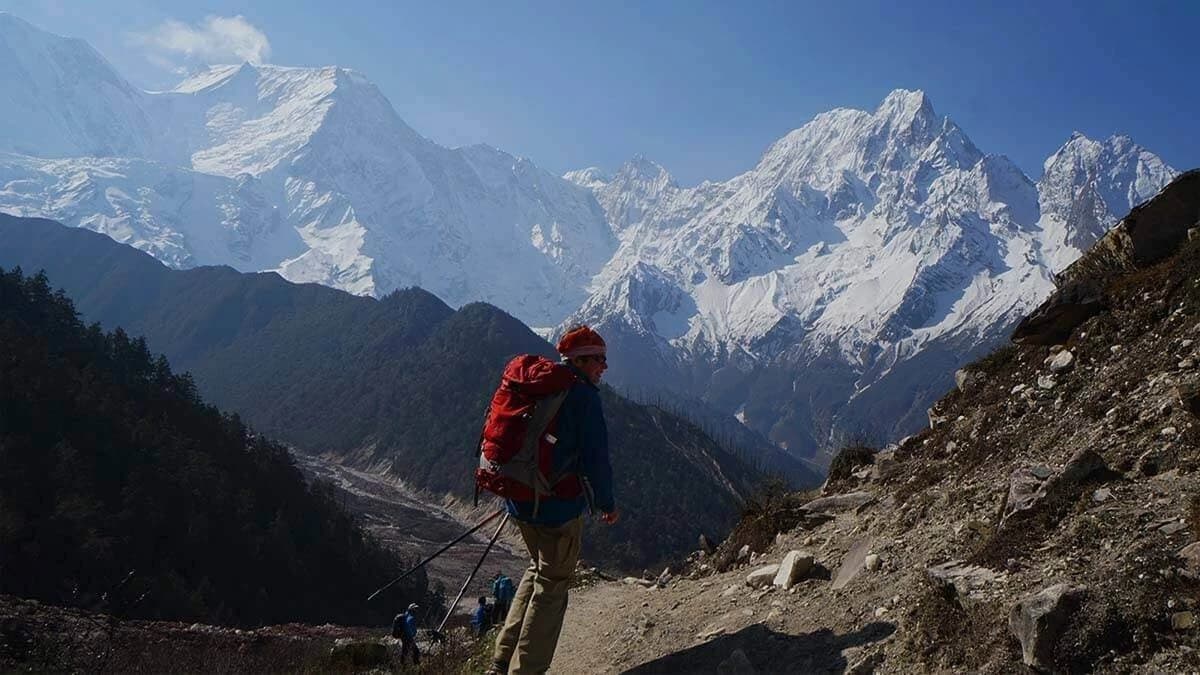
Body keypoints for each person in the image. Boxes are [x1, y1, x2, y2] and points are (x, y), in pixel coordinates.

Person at [488, 325, 618, 675]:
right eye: (599, 359)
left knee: (537, 570)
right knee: (552, 585)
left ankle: (501, 659)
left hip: (519, 501)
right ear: (580, 360)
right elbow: (596, 459)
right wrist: (607, 504)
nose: (604, 366)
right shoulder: (583, 397)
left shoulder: (538, 386)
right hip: (557, 508)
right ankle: (527, 671)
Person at [393, 602, 420, 667]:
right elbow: (409, 628)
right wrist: (412, 634)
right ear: (411, 610)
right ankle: (415, 666)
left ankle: (403, 665)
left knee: (405, 652)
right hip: (408, 637)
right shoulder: (411, 618)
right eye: (415, 609)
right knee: (415, 652)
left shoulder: (406, 615)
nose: (416, 611)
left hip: (404, 637)